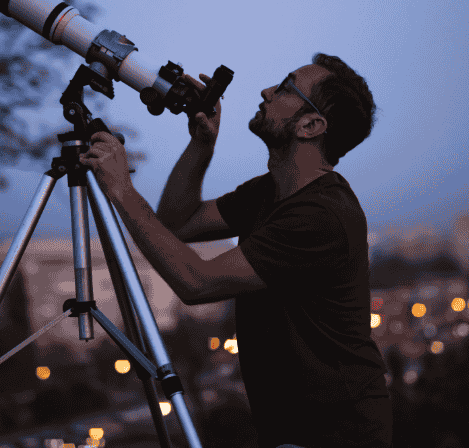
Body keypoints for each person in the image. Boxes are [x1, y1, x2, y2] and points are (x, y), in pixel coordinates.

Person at [79, 53, 391, 448]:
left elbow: (196, 282)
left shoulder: (321, 215)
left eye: (284, 88)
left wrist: (121, 190)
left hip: (337, 431)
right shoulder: (269, 192)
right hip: (292, 424)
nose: (266, 91)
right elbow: (179, 222)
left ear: (311, 125)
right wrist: (201, 144)